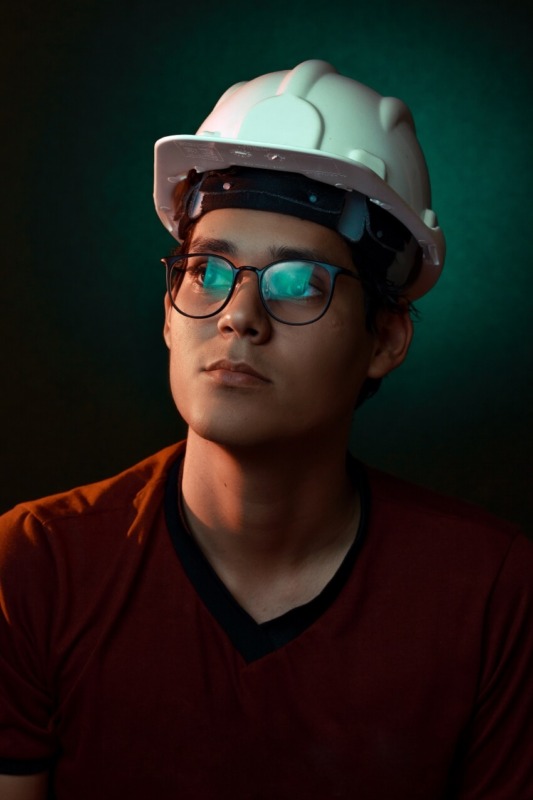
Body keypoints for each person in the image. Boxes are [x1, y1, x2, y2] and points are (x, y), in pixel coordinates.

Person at [0, 60, 531, 800]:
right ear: (166, 309)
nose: (237, 316)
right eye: (206, 271)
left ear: (385, 339)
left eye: (300, 284)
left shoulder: (492, 594)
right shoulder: (35, 566)